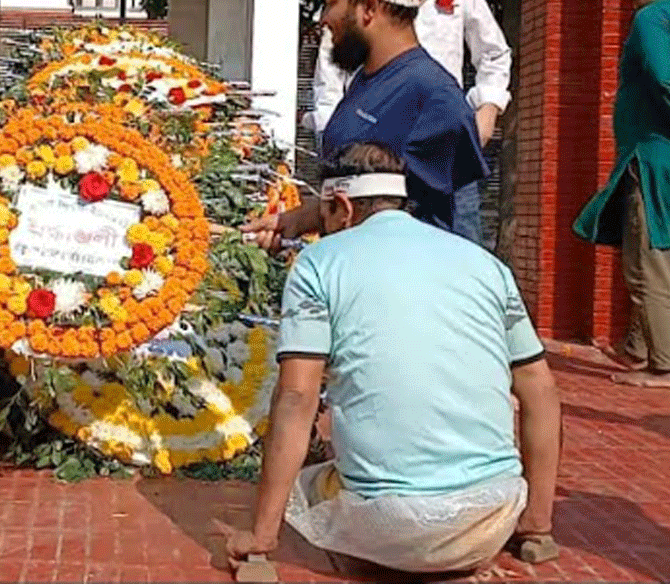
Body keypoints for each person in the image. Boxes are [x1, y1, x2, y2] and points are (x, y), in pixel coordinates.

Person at [223, 142, 562, 575]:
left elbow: (296, 397)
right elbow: (541, 390)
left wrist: (261, 537)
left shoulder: (317, 264)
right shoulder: (486, 264)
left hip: (387, 529)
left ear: (341, 206)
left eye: (323, 217)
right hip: (491, 518)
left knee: (307, 481)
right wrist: (535, 522)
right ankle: (536, 530)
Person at [243, 0, 488, 247]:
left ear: (369, 6)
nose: (323, 19)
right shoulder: (365, 78)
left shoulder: (435, 100)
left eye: (331, 3)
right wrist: (291, 222)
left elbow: (453, 233)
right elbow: (359, 196)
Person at [310, 0, 512, 245]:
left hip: (438, 143)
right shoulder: (363, 70)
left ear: (370, 8)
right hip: (364, 159)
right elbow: (329, 80)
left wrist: (487, 109)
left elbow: (495, 53)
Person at [573, 0, 670, 390]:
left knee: (647, 261)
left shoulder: (651, 19)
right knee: (660, 256)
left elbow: (660, 76)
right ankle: (636, 347)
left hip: (654, 155)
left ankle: (663, 367)